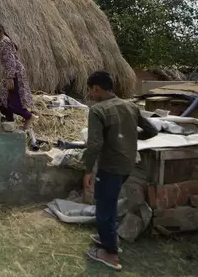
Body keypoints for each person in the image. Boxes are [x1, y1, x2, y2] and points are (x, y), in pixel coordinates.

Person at [82, 71, 158, 271]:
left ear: (97, 89)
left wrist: (88, 170)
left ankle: (110, 254)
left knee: (104, 208)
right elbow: (152, 130)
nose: (90, 94)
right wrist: (130, 138)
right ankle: (108, 238)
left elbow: (95, 144)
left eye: (91, 90)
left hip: (110, 166)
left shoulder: (98, 110)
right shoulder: (130, 106)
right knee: (110, 201)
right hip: (127, 165)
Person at [0, 20, 36, 129]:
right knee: (1, 98)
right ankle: (9, 120)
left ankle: (29, 117)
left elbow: (10, 61)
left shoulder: (5, 42)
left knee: (14, 101)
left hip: (14, 74)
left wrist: (10, 78)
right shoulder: (4, 41)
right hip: (11, 73)